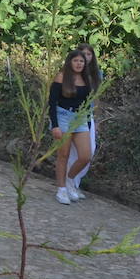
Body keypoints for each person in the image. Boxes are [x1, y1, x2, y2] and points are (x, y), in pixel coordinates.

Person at [50, 49, 94, 205]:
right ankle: (61, 190)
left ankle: (69, 180)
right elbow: (52, 103)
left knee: (85, 156)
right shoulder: (61, 77)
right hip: (63, 117)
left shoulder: (86, 79)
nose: (79, 63)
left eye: (81, 61)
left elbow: (88, 102)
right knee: (64, 155)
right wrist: (54, 125)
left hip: (80, 118)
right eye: (75, 60)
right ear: (69, 62)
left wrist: (88, 123)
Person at [68, 42, 103, 190]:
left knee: (90, 151)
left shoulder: (96, 74)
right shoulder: (71, 72)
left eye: (89, 54)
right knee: (74, 153)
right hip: (73, 115)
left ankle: (75, 182)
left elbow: (96, 97)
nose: (86, 57)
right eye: (84, 54)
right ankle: (69, 184)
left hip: (88, 117)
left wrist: (97, 118)